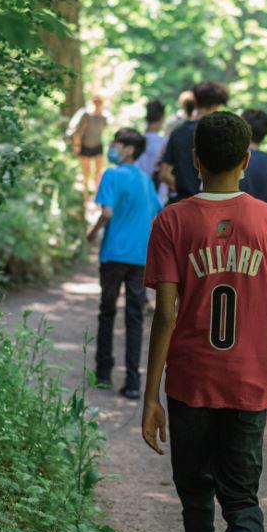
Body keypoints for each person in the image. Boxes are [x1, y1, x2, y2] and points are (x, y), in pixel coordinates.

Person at [140, 111, 267, 532]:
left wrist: (151, 394)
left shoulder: (172, 221)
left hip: (191, 381)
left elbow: (164, 314)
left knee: (195, 496)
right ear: (248, 160)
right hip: (252, 380)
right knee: (242, 496)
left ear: (195, 160)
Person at [87, 128, 161, 399]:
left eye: (117, 144)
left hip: (113, 254)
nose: (112, 148)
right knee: (135, 317)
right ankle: (132, 382)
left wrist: (93, 232)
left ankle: (104, 374)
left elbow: (106, 212)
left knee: (107, 311)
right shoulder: (146, 181)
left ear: (130, 149)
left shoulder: (112, 175)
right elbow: (156, 214)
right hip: (140, 258)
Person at [156, 80, 228, 204]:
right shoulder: (220, 133)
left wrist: (183, 188)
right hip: (210, 204)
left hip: (180, 203)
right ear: (215, 106)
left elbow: (164, 173)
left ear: (195, 100)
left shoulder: (178, 132)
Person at [68, 94, 110, 199]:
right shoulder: (86, 116)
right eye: (96, 102)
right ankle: (85, 196)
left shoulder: (103, 118)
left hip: (98, 146)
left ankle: (97, 195)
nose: (97, 104)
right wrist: (77, 145)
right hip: (86, 146)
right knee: (86, 173)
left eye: (99, 102)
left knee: (98, 172)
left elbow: (103, 130)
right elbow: (78, 132)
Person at [135, 99, 170, 205]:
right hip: (157, 194)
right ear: (161, 119)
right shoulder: (165, 142)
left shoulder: (135, 140)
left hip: (137, 190)